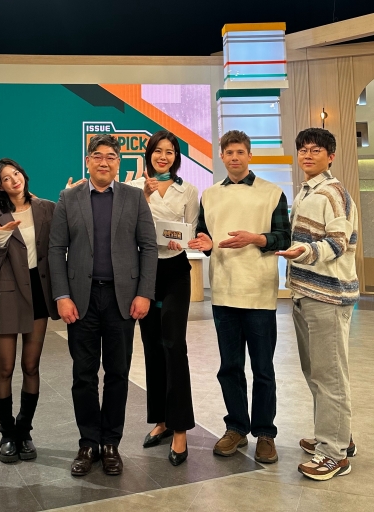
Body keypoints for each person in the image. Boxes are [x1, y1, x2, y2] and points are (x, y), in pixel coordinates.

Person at [49, 134, 157, 477]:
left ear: (118, 163)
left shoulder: (133, 197)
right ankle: (88, 443)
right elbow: (56, 249)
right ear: (88, 161)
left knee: (117, 373)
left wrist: (144, 293)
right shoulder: (68, 198)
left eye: (111, 156)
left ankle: (110, 443)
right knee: (83, 375)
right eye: (98, 156)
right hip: (80, 299)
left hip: (121, 299)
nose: (104, 162)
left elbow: (148, 247)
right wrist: (62, 295)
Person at [187, 129, 291, 464]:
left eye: (240, 152)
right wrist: (204, 244)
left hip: (259, 292)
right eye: (229, 152)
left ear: (249, 155)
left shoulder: (272, 193)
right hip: (224, 291)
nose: (234, 157)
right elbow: (204, 235)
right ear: (221, 156)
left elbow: (284, 237)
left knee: (263, 368)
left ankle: (265, 433)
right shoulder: (210, 195)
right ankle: (236, 427)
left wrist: (256, 238)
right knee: (229, 367)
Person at [277, 128, 359, 481]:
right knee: (316, 372)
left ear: (331, 156)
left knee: (330, 376)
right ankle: (337, 435)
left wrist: (305, 251)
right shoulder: (308, 191)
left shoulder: (333, 192)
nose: (307, 155)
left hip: (328, 296)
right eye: (303, 150)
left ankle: (334, 454)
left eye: (315, 150)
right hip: (305, 293)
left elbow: (338, 242)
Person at [0, 158, 60, 463]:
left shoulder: (47, 208)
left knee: (31, 366)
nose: (14, 180)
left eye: (16, 173)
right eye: (6, 178)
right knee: (4, 368)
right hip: (8, 297)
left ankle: (24, 431)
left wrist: (70, 197)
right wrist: (1, 238)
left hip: (39, 293)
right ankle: (7, 434)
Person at [127, 130, 198, 466]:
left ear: (176, 157)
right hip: (145, 272)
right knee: (152, 347)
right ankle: (162, 420)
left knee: (174, 346)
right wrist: (143, 195)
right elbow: (126, 228)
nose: (163, 157)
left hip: (174, 272)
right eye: (158, 151)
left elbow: (191, 228)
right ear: (149, 154)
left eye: (169, 152)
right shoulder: (133, 187)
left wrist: (180, 240)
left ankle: (181, 428)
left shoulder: (188, 190)